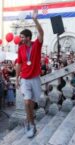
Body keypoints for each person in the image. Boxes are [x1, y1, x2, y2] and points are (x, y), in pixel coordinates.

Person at [15, 9, 43, 138]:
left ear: (27, 37)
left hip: (35, 79)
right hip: (25, 79)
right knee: (26, 103)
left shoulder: (36, 45)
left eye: (21, 37)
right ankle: (32, 126)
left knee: (31, 105)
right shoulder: (20, 48)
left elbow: (41, 32)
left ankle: (27, 121)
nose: (19, 39)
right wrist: (16, 78)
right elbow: (19, 64)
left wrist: (35, 19)